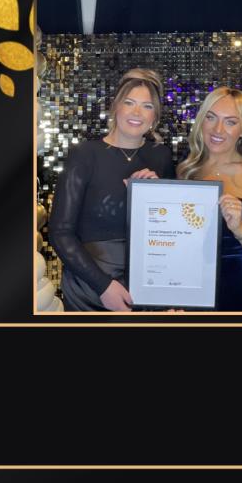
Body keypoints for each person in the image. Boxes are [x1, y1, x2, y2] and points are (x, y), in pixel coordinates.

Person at [50, 68, 174, 311]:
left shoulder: (161, 156)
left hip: (147, 285)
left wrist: (155, 198)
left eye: (147, 106)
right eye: (129, 103)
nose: (137, 112)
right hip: (91, 288)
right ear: (116, 106)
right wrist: (103, 286)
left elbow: (170, 230)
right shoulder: (84, 154)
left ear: (155, 116)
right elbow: (60, 233)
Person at [177, 87, 242, 311]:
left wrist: (240, 229)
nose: (218, 129)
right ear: (201, 121)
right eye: (211, 117)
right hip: (188, 290)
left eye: (230, 122)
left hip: (236, 293)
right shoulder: (185, 170)